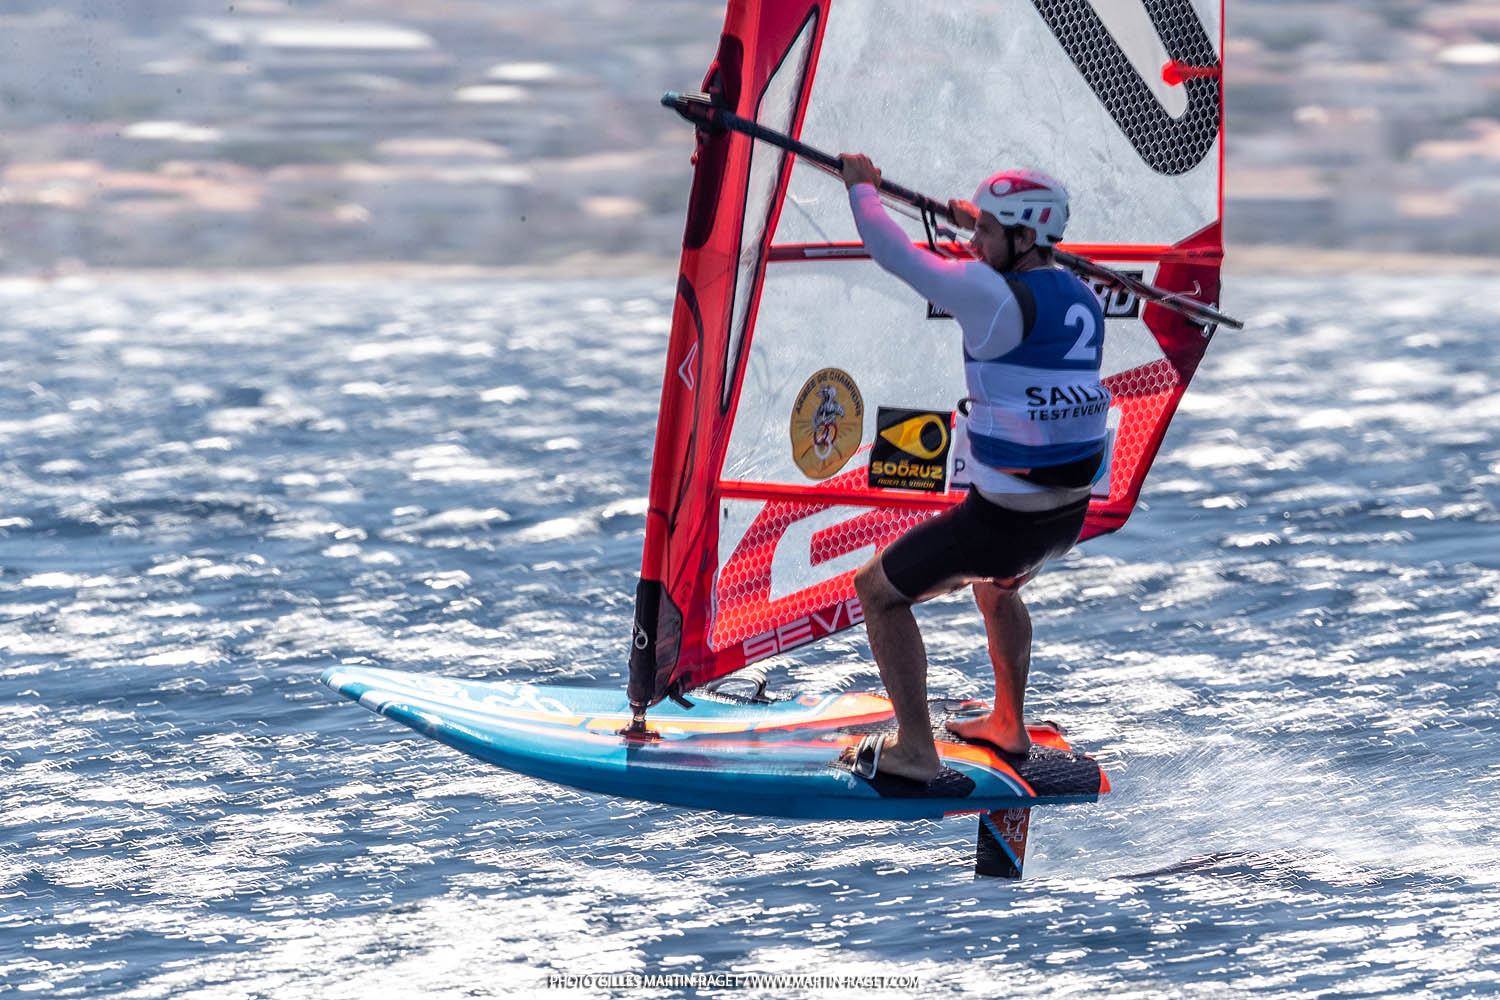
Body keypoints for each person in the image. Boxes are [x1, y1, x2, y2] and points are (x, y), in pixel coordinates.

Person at [836, 153, 1109, 784]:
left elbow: (895, 254)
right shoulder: (1081, 294)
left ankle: (914, 750)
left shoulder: (988, 294)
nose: (976, 236)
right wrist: (980, 234)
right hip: (1064, 519)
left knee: (876, 592)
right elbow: (1004, 284)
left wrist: (864, 192)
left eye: (988, 228)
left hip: (1004, 522)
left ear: (1022, 237)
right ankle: (1008, 724)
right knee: (997, 583)